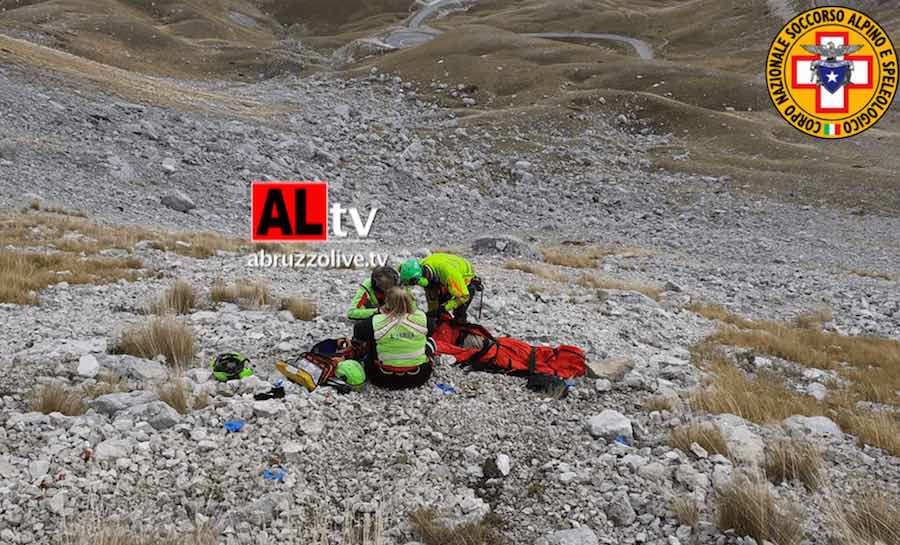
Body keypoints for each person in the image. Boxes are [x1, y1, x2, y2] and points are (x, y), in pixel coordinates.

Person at [352, 287, 434, 389]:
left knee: (372, 340)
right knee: (429, 340)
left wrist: (379, 312)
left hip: (382, 378)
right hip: (418, 377)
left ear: (386, 302)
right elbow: (431, 330)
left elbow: (357, 333)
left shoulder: (375, 321)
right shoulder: (423, 318)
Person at [398, 253, 482, 330]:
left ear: (419, 279)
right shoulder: (418, 267)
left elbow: (464, 296)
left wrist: (444, 308)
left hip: (464, 277)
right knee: (437, 307)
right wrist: (432, 312)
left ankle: (459, 331)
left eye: (413, 283)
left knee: (459, 312)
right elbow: (431, 296)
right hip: (445, 270)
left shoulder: (449, 275)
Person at [347, 266, 400, 342]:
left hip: (397, 321)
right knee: (359, 326)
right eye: (385, 287)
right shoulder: (367, 287)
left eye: (392, 287)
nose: (389, 291)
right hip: (376, 322)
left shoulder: (399, 285)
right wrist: (378, 311)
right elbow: (351, 313)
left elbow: (413, 308)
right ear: (376, 285)